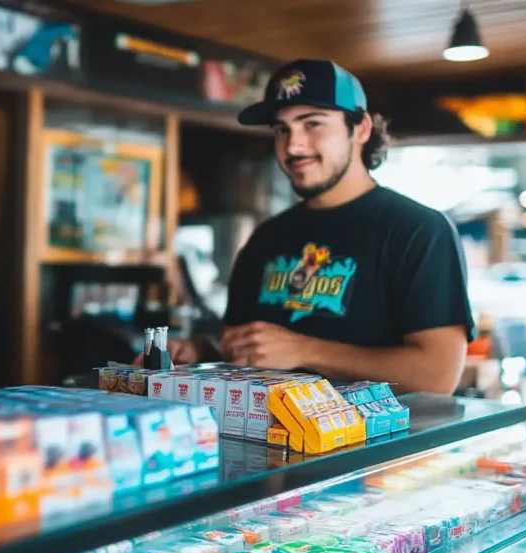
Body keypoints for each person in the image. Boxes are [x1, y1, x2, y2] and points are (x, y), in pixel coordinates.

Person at [158, 59, 474, 395]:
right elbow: (243, 347)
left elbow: (438, 376)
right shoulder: (266, 238)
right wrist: (202, 352)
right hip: (269, 441)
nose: (293, 146)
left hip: (379, 444)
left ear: (361, 129)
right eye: (282, 129)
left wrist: (304, 349)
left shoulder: (419, 231)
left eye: (313, 124)